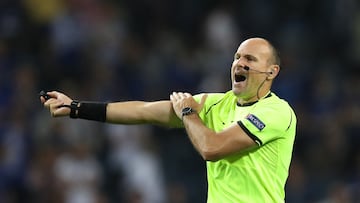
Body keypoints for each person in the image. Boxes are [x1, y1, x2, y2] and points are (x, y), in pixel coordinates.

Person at [40, 37, 297, 203]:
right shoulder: (216, 104)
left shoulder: (276, 112)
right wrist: (75, 108)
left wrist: (188, 112)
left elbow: (212, 148)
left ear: (271, 71)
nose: (239, 63)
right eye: (237, 57)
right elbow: (143, 111)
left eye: (249, 59)